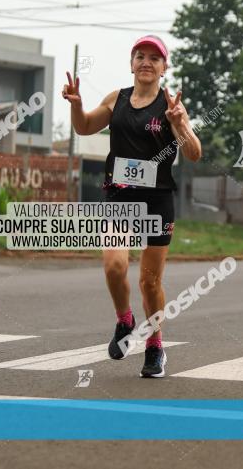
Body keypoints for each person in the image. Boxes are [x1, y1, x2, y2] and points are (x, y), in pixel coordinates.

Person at [62, 35, 202, 378]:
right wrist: (76, 104)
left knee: (150, 283)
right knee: (113, 265)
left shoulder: (171, 106)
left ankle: (155, 346)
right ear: (131, 63)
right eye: (140, 56)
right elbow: (84, 127)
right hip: (120, 198)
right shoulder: (117, 99)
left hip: (157, 201)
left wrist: (179, 122)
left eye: (155, 58)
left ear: (164, 68)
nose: (146, 62)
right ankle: (125, 321)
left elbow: (195, 153)